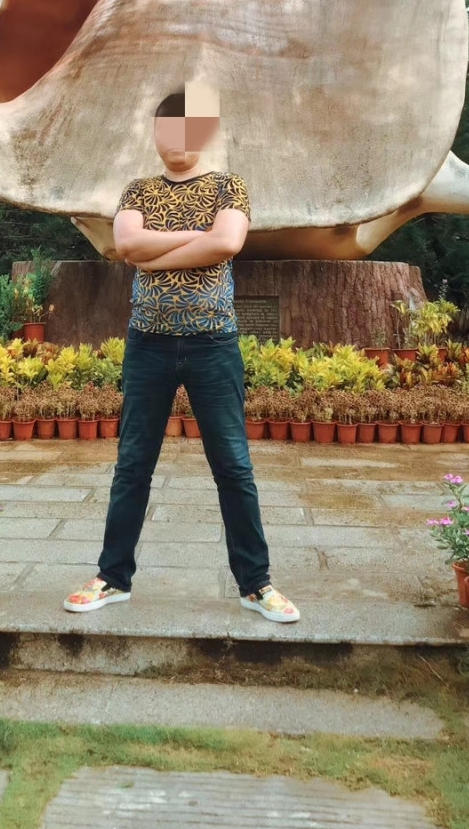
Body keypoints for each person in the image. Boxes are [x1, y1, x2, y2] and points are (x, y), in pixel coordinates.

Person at [63, 81, 300, 624]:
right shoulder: (138, 191)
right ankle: (112, 577)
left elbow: (227, 242)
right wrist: (194, 240)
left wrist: (153, 255)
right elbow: (127, 244)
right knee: (133, 464)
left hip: (213, 343)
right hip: (147, 344)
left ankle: (255, 584)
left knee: (233, 466)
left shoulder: (228, 187)